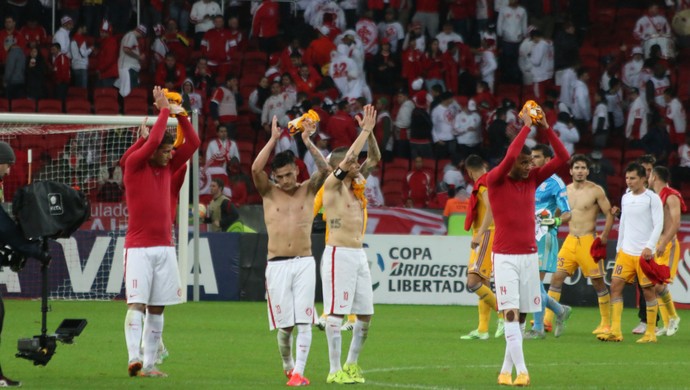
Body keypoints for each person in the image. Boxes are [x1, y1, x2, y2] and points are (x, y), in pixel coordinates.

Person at [489, 103, 570, 386]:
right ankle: (522, 371)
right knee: (510, 312)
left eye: (530, 163)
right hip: (505, 257)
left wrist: (546, 128)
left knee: (521, 315)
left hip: (529, 256)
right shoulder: (495, 180)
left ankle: (504, 370)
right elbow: (513, 152)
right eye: (524, 163)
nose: (528, 167)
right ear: (510, 164)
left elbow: (563, 156)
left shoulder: (533, 179)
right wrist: (526, 126)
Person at [122, 86, 200, 377]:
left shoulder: (168, 170)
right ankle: (134, 358)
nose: (169, 156)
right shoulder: (134, 165)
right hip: (139, 248)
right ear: (150, 150)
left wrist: (180, 115)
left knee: (158, 309)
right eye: (165, 151)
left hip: (166, 248)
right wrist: (163, 109)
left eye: (170, 151)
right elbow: (154, 138)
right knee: (137, 304)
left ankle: (150, 364)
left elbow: (192, 143)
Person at [251, 114, 330, 387]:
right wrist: (273, 139)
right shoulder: (269, 192)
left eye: (288, 174)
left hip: (304, 262)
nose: (284, 180)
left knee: (305, 322)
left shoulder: (308, 190)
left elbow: (326, 170)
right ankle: (287, 364)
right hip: (276, 266)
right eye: (279, 176)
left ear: (297, 170)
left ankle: (298, 372)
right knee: (284, 329)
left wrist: (307, 140)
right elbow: (254, 169)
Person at [320, 105, 378, 385]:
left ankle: (351, 364)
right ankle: (334, 370)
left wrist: (371, 135)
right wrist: (364, 130)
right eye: (354, 163)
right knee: (336, 313)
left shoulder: (357, 187)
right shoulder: (333, 185)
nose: (358, 165)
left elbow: (374, 158)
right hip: (337, 254)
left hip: (357, 255)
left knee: (365, 314)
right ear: (341, 166)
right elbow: (349, 159)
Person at [544, 154, 615, 335]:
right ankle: (547, 321)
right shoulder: (564, 190)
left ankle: (606, 323)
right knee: (556, 278)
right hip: (570, 240)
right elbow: (557, 213)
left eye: (583, 168)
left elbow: (609, 213)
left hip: (588, 240)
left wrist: (605, 235)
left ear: (588, 171)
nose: (580, 171)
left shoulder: (595, 190)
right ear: (571, 170)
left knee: (598, 282)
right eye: (577, 168)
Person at [598, 163, 663, 343]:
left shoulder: (652, 198)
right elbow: (623, 223)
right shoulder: (626, 197)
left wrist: (650, 246)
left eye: (633, 178)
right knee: (615, 286)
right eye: (627, 178)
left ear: (643, 179)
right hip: (626, 252)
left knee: (648, 291)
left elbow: (659, 224)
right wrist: (619, 249)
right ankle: (616, 331)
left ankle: (650, 332)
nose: (629, 181)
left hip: (644, 253)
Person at [525, 144, 572, 339]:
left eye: (537, 157)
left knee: (534, 284)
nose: (532, 160)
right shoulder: (528, 179)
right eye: (531, 157)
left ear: (547, 160)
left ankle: (538, 328)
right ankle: (560, 310)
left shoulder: (555, 183)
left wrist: (556, 220)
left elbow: (568, 213)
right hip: (526, 236)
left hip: (544, 236)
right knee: (529, 284)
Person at [459, 155, 504, 340]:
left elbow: (491, 209)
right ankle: (483, 330)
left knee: (473, 282)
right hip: (487, 233)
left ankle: (504, 316)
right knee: (483, 283)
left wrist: (480, 234)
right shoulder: (491, 179)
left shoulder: (483, 183)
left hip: (487, 233)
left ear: (469, 172)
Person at [648, 166, 685, 336]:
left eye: (649, 175)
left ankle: (673, 318)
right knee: (656, 284)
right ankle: (667, 322)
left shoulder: (671, 196)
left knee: (658, 284)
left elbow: (676, 223)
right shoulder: (654, 197)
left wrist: (664, 242)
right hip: (656, 243)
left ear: (654, 177)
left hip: (667, 244)